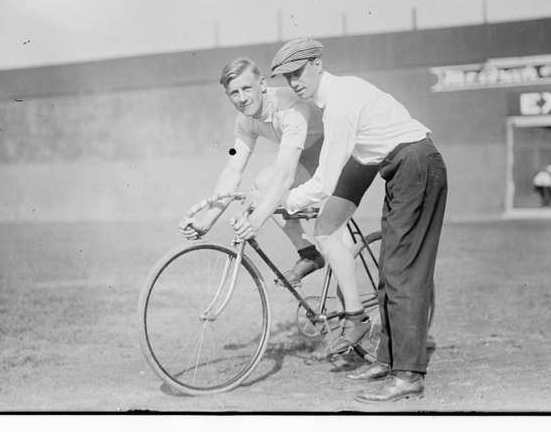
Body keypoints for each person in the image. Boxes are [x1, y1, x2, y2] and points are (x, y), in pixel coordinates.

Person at [271, 38, 447, 404]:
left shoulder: (339, 103)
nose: (294, 82)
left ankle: (408, 376)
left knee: (402, 271)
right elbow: (353, 168)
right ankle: (387, 359)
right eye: (288, 77)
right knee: (389, 269)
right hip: (396, 167)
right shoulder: (336, 96)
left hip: (416, 164)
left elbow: (325, 180)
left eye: (299, 72)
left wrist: (286, 200)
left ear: (317, 63)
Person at [179, 57, 326, 286]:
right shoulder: (245, 120)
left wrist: (256, 221)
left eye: (247, 88)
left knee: (267, 185)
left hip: (329, 152)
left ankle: (351, 308)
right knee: (262, 186)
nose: (242, 98)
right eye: (234, 93)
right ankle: (309, 254)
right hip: (301, 156)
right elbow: (233, 169)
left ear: (263, 84)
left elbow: (284, 176)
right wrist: (207, 221)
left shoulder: (288, 105)